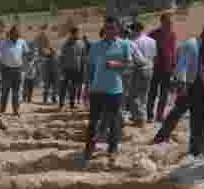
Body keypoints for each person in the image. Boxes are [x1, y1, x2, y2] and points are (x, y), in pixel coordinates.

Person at [152, 12, 204, 157]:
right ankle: (168, 139)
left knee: (200, 116)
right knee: (185, 114)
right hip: (192, 85)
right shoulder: (196, 43)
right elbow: (185, 65)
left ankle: (196, 144)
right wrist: (182, 83)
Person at [79, 17, 131, 167]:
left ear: (117, 29)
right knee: (93, 122)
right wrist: (86, 88)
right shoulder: (95, 46)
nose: (109, 31)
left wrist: (116, 64)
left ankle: (112, 149)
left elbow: (128, 66)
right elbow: (89, 68)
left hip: (115, 90)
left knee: (114, 121)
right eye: (107, 28)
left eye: (112, 28)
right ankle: (89, 149)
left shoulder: (124, 45)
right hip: (97, 89)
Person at [147, 13, 178, 122]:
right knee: (152, 92)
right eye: (168, 22)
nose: (170, 25)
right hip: (155, 68)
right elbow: (148, 49)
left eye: (171, 23)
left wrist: (174, 66)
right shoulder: (153, 34)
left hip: (168, 69)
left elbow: (173, 51)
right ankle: (149, 115)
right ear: (162, 22)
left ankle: (159, 115)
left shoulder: (173, 35)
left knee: (164, 94)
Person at [126, 22, 156, 126]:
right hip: (150, 68)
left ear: (135, 30)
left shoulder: (133, 42)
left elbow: (133, 58)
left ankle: (139, 118)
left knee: (133, 95)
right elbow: (154, 56)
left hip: (138, 69)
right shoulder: (152, 41)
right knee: (144, 95)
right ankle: (141, 116)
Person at [0, 25, 28, 116]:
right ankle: (2, 110)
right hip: (6, 69)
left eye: (18, 32)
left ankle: (16, 110)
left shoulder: (22, 42)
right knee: (5, 91)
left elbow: (25, 54)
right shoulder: (4, 42)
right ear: (11, 33)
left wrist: (25, 67)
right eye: (15, 32)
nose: (17, 34)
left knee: (16, 92)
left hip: (18, 70)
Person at [57, 27, 88, 110]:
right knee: (63, 87)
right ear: (71, 33)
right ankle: (61, 104)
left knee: (74, 87)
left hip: (76, 69)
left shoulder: (81, 43)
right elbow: (60, 56)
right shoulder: (63, 43)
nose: (78, 35)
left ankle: (72, 104)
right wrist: (60, 68)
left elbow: (83, 57)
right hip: (65, 69)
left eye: (78, 33)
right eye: (76, 33)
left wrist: (82, 69)